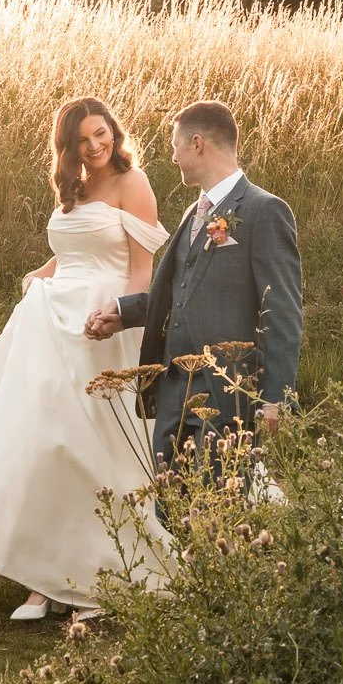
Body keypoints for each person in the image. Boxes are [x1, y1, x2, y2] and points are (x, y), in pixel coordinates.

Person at [0, 97, 169, 620]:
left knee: (94, 448)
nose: (97, 146)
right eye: (84, 141)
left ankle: (103, 578)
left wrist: (124, 319)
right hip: (50, 326)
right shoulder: (73, 188)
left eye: (103, 134)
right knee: (42, 445)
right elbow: (73, 252)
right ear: (67, 148)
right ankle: (44, 581)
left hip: (100, 327)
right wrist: (41, 275)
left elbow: (142, 271)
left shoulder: (131, 182)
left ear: (113, 132)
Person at [84, 100, 302, 470]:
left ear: (197, 143)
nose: (173, 156)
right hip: (174, 392)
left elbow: (282, 310)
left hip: (225, 393)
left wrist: (275, 398)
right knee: (169, 510)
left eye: (175, 146)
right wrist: (123, 313)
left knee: (219, 509)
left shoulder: (264, 209)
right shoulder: (193, 213)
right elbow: (177, 293)